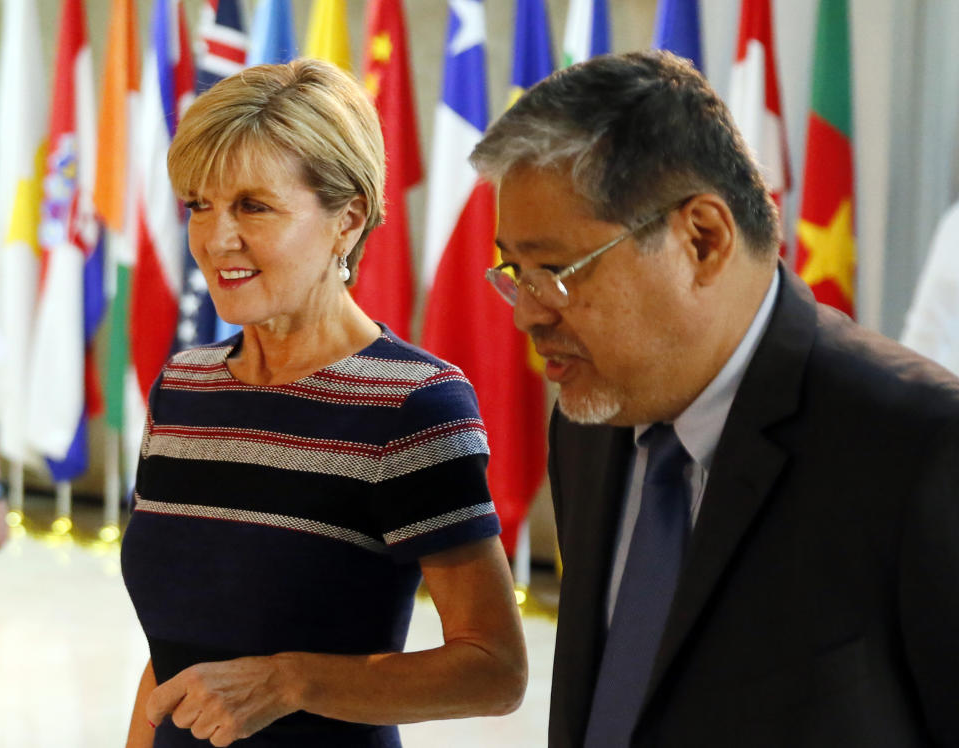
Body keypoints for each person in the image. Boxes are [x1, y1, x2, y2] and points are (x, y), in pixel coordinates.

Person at [471, 50, 959, 747]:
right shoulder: (588, 423)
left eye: (554, 270)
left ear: (702, 239)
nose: (526, 313)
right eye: (514, 272)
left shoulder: (919, 448)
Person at [121, 59, 526, 748]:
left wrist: (290, 681)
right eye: (200, 204)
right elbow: (174, 656)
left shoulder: (414, 404)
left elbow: (495, 670)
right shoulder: (183, 387)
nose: (218, 239)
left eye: (253, 205)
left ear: (348, 218)